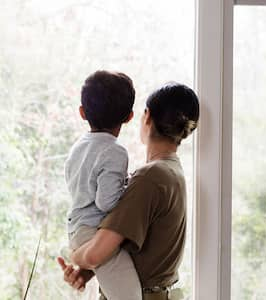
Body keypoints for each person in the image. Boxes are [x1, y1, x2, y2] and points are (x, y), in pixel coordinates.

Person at [58, 82, 200, 300]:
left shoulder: (150, 177)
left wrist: (76, 256)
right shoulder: (171, 171)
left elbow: (95, 254)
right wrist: (87, 271)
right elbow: (139, 247)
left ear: (147, 116)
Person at [63, 70, 142, 300]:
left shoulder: (78, 147)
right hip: (94, 236)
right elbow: (106, 203)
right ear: (129, 116)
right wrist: (129, 186)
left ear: (82, 113)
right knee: (131, 296)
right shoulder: (115, 152)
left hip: (78, 228)